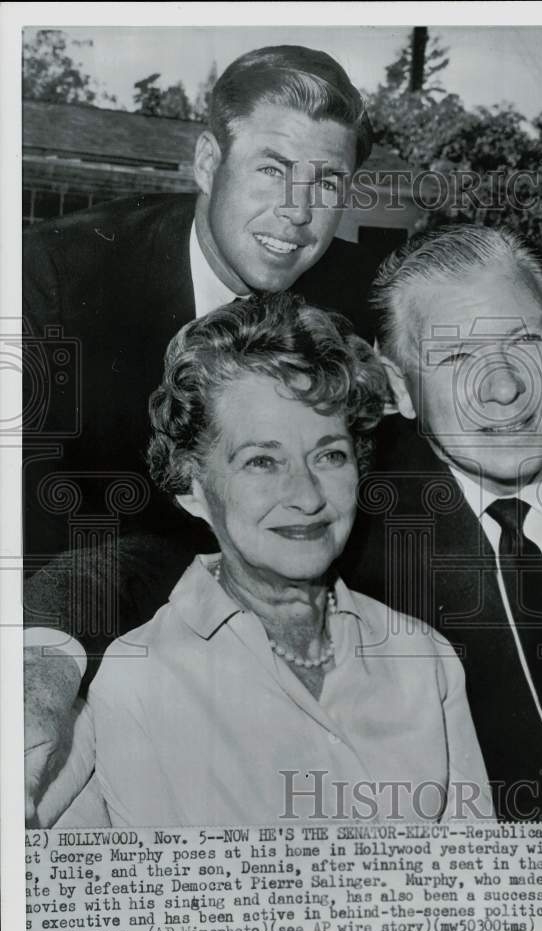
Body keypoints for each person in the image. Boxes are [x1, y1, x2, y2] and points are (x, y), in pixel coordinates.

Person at [23, 44, 378, 816]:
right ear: (207, 159)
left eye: (327, 182)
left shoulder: (359, 304)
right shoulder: (54, 278)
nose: (298, 211)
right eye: (272, 169)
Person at [61, 293, 491, 826]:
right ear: (192, 486)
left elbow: (474, 884)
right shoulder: (140, 680)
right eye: (263, 461)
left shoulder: (424, 658)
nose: (307, 497)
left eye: (329, 455)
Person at [339, 224, 542, 821]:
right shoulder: (351, 540)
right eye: (456, 356)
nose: (502, 388)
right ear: (400, 385)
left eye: (525, 341)